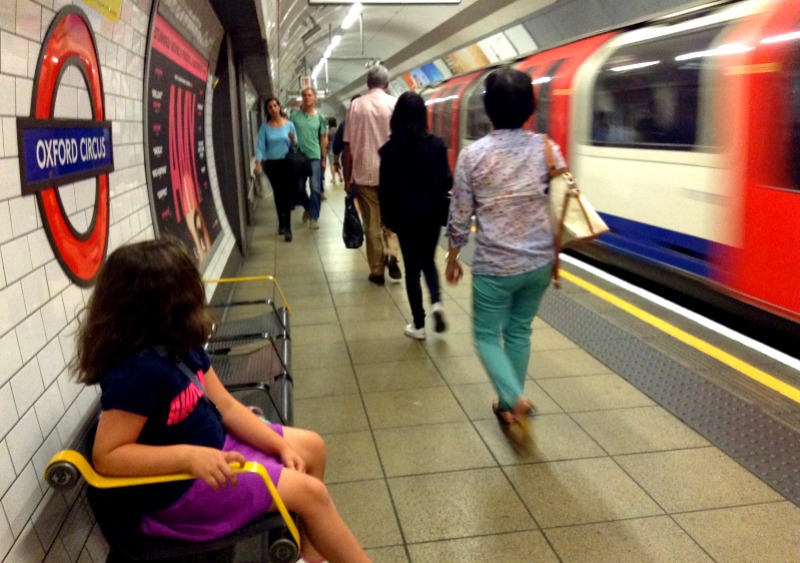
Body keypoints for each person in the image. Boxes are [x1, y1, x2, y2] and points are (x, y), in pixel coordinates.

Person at [71, 239, 371, 563]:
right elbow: (107, 456)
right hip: (179, 491)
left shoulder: (179, 342)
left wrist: (277, 444)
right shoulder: (136, 374)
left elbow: (225, 406)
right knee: (310, 494)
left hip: (215, 452)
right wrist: (189, 457)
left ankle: (309, 555)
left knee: (311, 447)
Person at [445, 68, 566, 445]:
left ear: (487, 108)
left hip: (495, 267)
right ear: (530, 107)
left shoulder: (472, 156)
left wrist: (453, 255)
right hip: (539, 263)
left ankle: (513, 397)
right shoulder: (548, 148)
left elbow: (461, 213)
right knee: (518, 330)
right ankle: (508, 402)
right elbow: (560, 200)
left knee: (484, 335)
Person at [379, 92, 452, 340]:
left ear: (396, 116)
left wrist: (389, 220)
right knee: (429, 261)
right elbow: (447, 182)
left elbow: (385, 190)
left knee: (412, 269)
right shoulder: (437, 145)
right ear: (423, 115)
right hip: (431, 214)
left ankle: (418, 325)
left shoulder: (388, 151)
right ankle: (437, 304)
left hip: (405, 217)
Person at [344, 65, 401, 285]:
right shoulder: (395, 104)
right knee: (391, 219)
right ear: (386, 84)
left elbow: (348, 144)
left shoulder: (356, 106)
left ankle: (377, 270)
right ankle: (393, 254)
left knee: (372, 222)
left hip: (364, 172)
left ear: (368, 83)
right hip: (391, 173)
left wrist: (348, 176)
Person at [255, 97, 297, 242]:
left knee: (286, 194)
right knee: (278, 195)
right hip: (272, 165)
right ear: (267, 111)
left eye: (275, 106)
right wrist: (258, 162)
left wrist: (292, 140)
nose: (273, 109)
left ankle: (288, 228)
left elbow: (295, 146)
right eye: (270, 107)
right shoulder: (265, 128)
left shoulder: (289, 125)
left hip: (286, 163)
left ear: (280, 107)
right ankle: (281, 222)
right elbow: (260, 146)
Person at [290, 88, 328, 230]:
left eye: (310, 95)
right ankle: (307, 207)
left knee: (315, 187)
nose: (307, 98)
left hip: (314, 157)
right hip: (299, 157)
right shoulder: (294, 116)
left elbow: (323, 138)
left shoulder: (320, 118)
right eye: (304, 96)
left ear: (315, 98)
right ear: (302, 99)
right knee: (299, 188)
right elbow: (288, 132)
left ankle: (314, 217)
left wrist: (324, 158)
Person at [327, 117, 342, 185]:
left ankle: (333, 178)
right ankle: (340, 176)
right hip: (337, 149)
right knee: (337, 163)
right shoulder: (337, 130)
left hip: (330, 148)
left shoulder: (329, 131)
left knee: (332, 164)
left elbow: (327, 140)